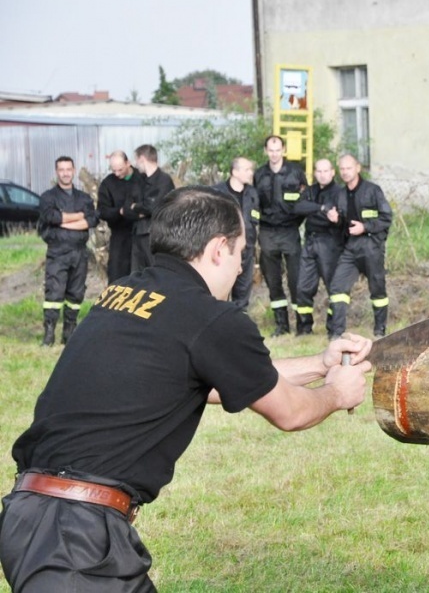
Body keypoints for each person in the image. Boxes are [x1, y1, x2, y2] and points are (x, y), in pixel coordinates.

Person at [0, 186, 373, 592]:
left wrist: (321, 364)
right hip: (76, 538)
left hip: (35, 518)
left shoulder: (123, 293)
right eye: (241, 253)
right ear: (218, 249)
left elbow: (209, 382)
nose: (241, 268)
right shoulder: (210, 318)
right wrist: (337, 393)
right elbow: (291, 412)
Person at [328, 154, 393, 339]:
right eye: (342, 169)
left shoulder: (373, 190)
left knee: (377, 288)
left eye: (349, 168)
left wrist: (365, 227)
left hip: (371, 246)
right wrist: (336, 219)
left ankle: (380, 330)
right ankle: (337, 333)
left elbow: (386, 218)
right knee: (338, 287)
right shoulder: (340, 194)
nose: (345, 172)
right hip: (350, 248)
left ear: (357, 168)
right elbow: (342, 224)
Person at [36, 156, 98, 346]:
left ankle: (69, 332)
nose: (65, 173)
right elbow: (50, 217)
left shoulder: (84, 198)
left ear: (73, 171)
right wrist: (78, 218)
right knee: (54, 293)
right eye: (61, 169)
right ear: (57, 172)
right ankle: (49, 333)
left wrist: (64, 222)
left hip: (79, 252)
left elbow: (92, 219)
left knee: (75, 294)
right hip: (57, 252)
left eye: (68, 169)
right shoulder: (48, 197)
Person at [254, 135, 307, 336]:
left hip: (289, 232)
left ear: (283, 150)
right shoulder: (259, 175)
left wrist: (295, 224)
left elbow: (304, 201)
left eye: (278, 149)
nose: (274, 154)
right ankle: (281, 326)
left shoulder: (295, 172)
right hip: (267, 232)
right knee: (273, 280)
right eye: (271, 150)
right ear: (266, 151)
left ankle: (302, 325)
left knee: (296, 280)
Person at [293, 158, 346, 336]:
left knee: (334, 288)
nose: (322, 175)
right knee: (303, 287)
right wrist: (322, 208)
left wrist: (315, 211)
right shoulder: (310, 190)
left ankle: (333, 329)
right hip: (309, 242)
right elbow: (298, 207)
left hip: (329, 243)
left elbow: (340, 219)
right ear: (315, 173)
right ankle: (305, 328)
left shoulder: (340, 192)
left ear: (332, 172)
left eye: (326, 171)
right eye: (319, 171)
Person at [214, 157, 260, 310]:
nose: (250, 173)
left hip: (246, 249)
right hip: (224, 250)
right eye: (247, 169)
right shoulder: (217, 193)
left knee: (243, 291)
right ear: (235, 172)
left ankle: (240, 324)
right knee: (222, 290)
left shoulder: (253, 193)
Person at [125, 144, 175, 271]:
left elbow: (153, 208)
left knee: (155, 271)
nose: (136, 164)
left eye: (136, 160)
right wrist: (140, 209)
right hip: (137, 234)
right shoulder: (138, 180)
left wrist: (136, 206)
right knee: (137, 274)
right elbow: (127, 207)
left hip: (155, 235)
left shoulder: (164, 180)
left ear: (142, 158)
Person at [97, 150, 140, 282]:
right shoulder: (108, 184)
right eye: (113, 170)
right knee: (117, 274)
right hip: (119, 234)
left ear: (128, 163)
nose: (117, 174)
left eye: (120, 170)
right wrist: (119, 212)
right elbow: (102, 211)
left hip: (142, 233)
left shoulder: (142, 178)